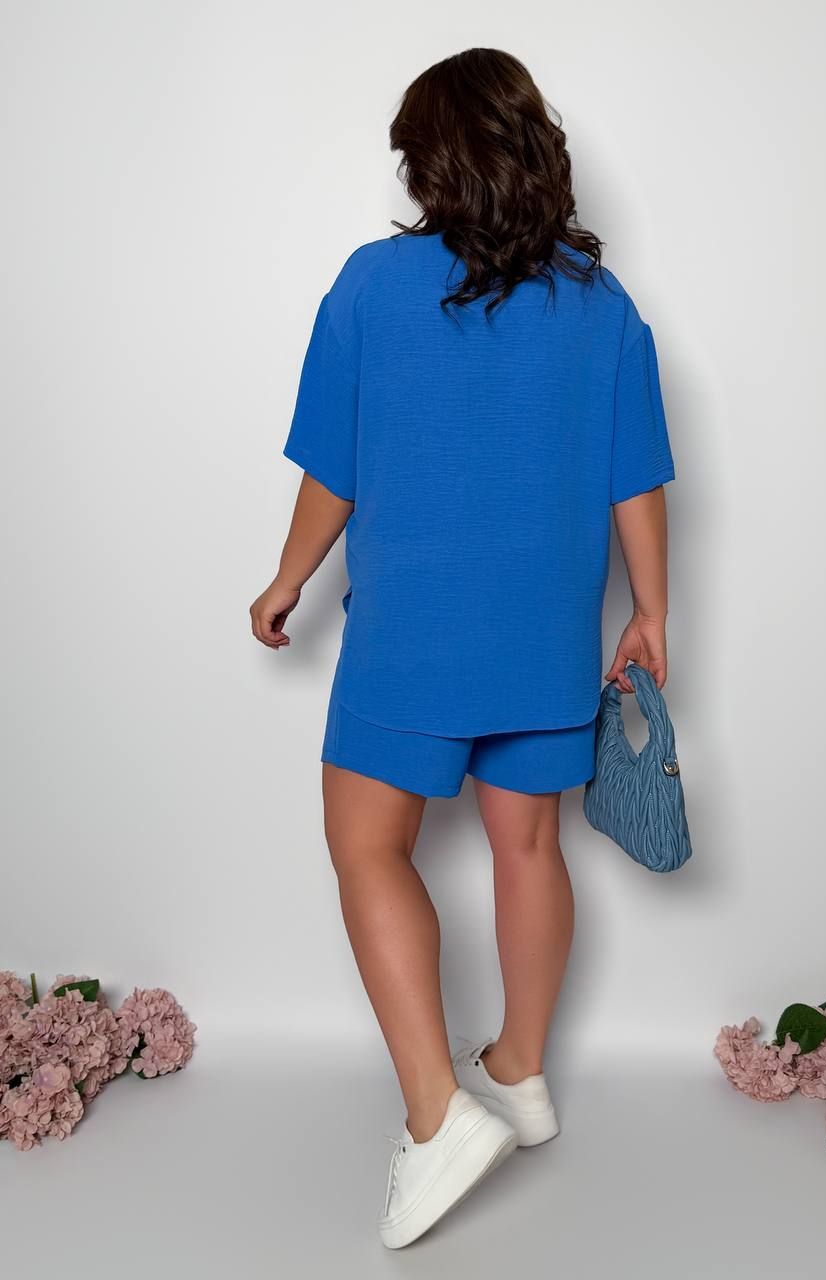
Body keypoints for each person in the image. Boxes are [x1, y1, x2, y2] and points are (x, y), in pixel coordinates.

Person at [250, 47, 674, 1249]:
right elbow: (635, 476)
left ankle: (440, 1116)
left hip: (412, 634)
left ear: (427, 162)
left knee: (365, 843)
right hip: (547, 628)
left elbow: (333, 468)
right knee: (527, 845)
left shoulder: (371, 286)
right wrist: (650, 610)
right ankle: (521, 1073)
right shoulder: (601, 304)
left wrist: (288, 578)